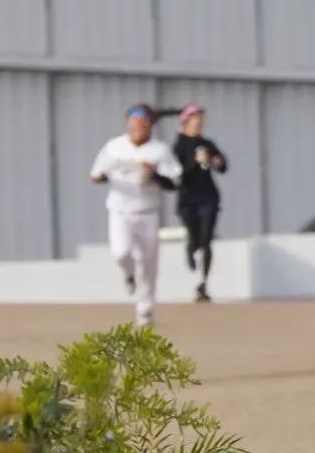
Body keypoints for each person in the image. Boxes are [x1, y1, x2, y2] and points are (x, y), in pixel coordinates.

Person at [90, 106, 183, 327]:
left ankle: (145, 309)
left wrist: (154, 174)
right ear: (127, 125)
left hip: (148, 212)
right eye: (133, 125)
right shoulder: (114, 147)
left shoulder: (159, 150)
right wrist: (104, 176)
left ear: (150, 126)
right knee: (121, 252)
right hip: (120, 211)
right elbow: (96, 174)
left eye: (142, 125)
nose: (137, 129)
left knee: (149, 263)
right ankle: (128, 274)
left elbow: (174, 182)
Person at [171, 105, 228, 302]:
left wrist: (215, 161)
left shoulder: (207, 143)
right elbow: (178, 175)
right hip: (187, 200)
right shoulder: (178, 146)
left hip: (208, 197)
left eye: (201, 121)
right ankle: (191, 247)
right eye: (196, 120)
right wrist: (195, 163)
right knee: (195, 238)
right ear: (186, 122)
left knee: (207, 239)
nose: (200, 124)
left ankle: (203, 284)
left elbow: (223, 166)